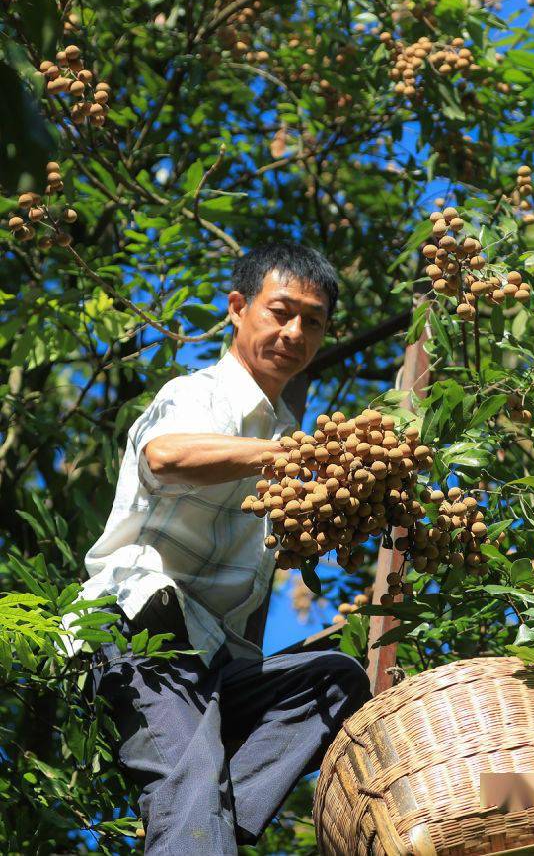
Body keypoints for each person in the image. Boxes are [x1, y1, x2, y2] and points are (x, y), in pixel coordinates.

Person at [73, 242, 372, 855]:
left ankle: (207, 830)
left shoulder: (291, 440)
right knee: (190, 782)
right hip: (141, 627)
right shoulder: (201, 392)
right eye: (280, 312)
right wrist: (291, 458)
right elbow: (168, 456)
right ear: (238, 308)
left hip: (213, 662)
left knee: (336, 681)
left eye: (311, 322)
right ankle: (197, 821)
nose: (294, 332)